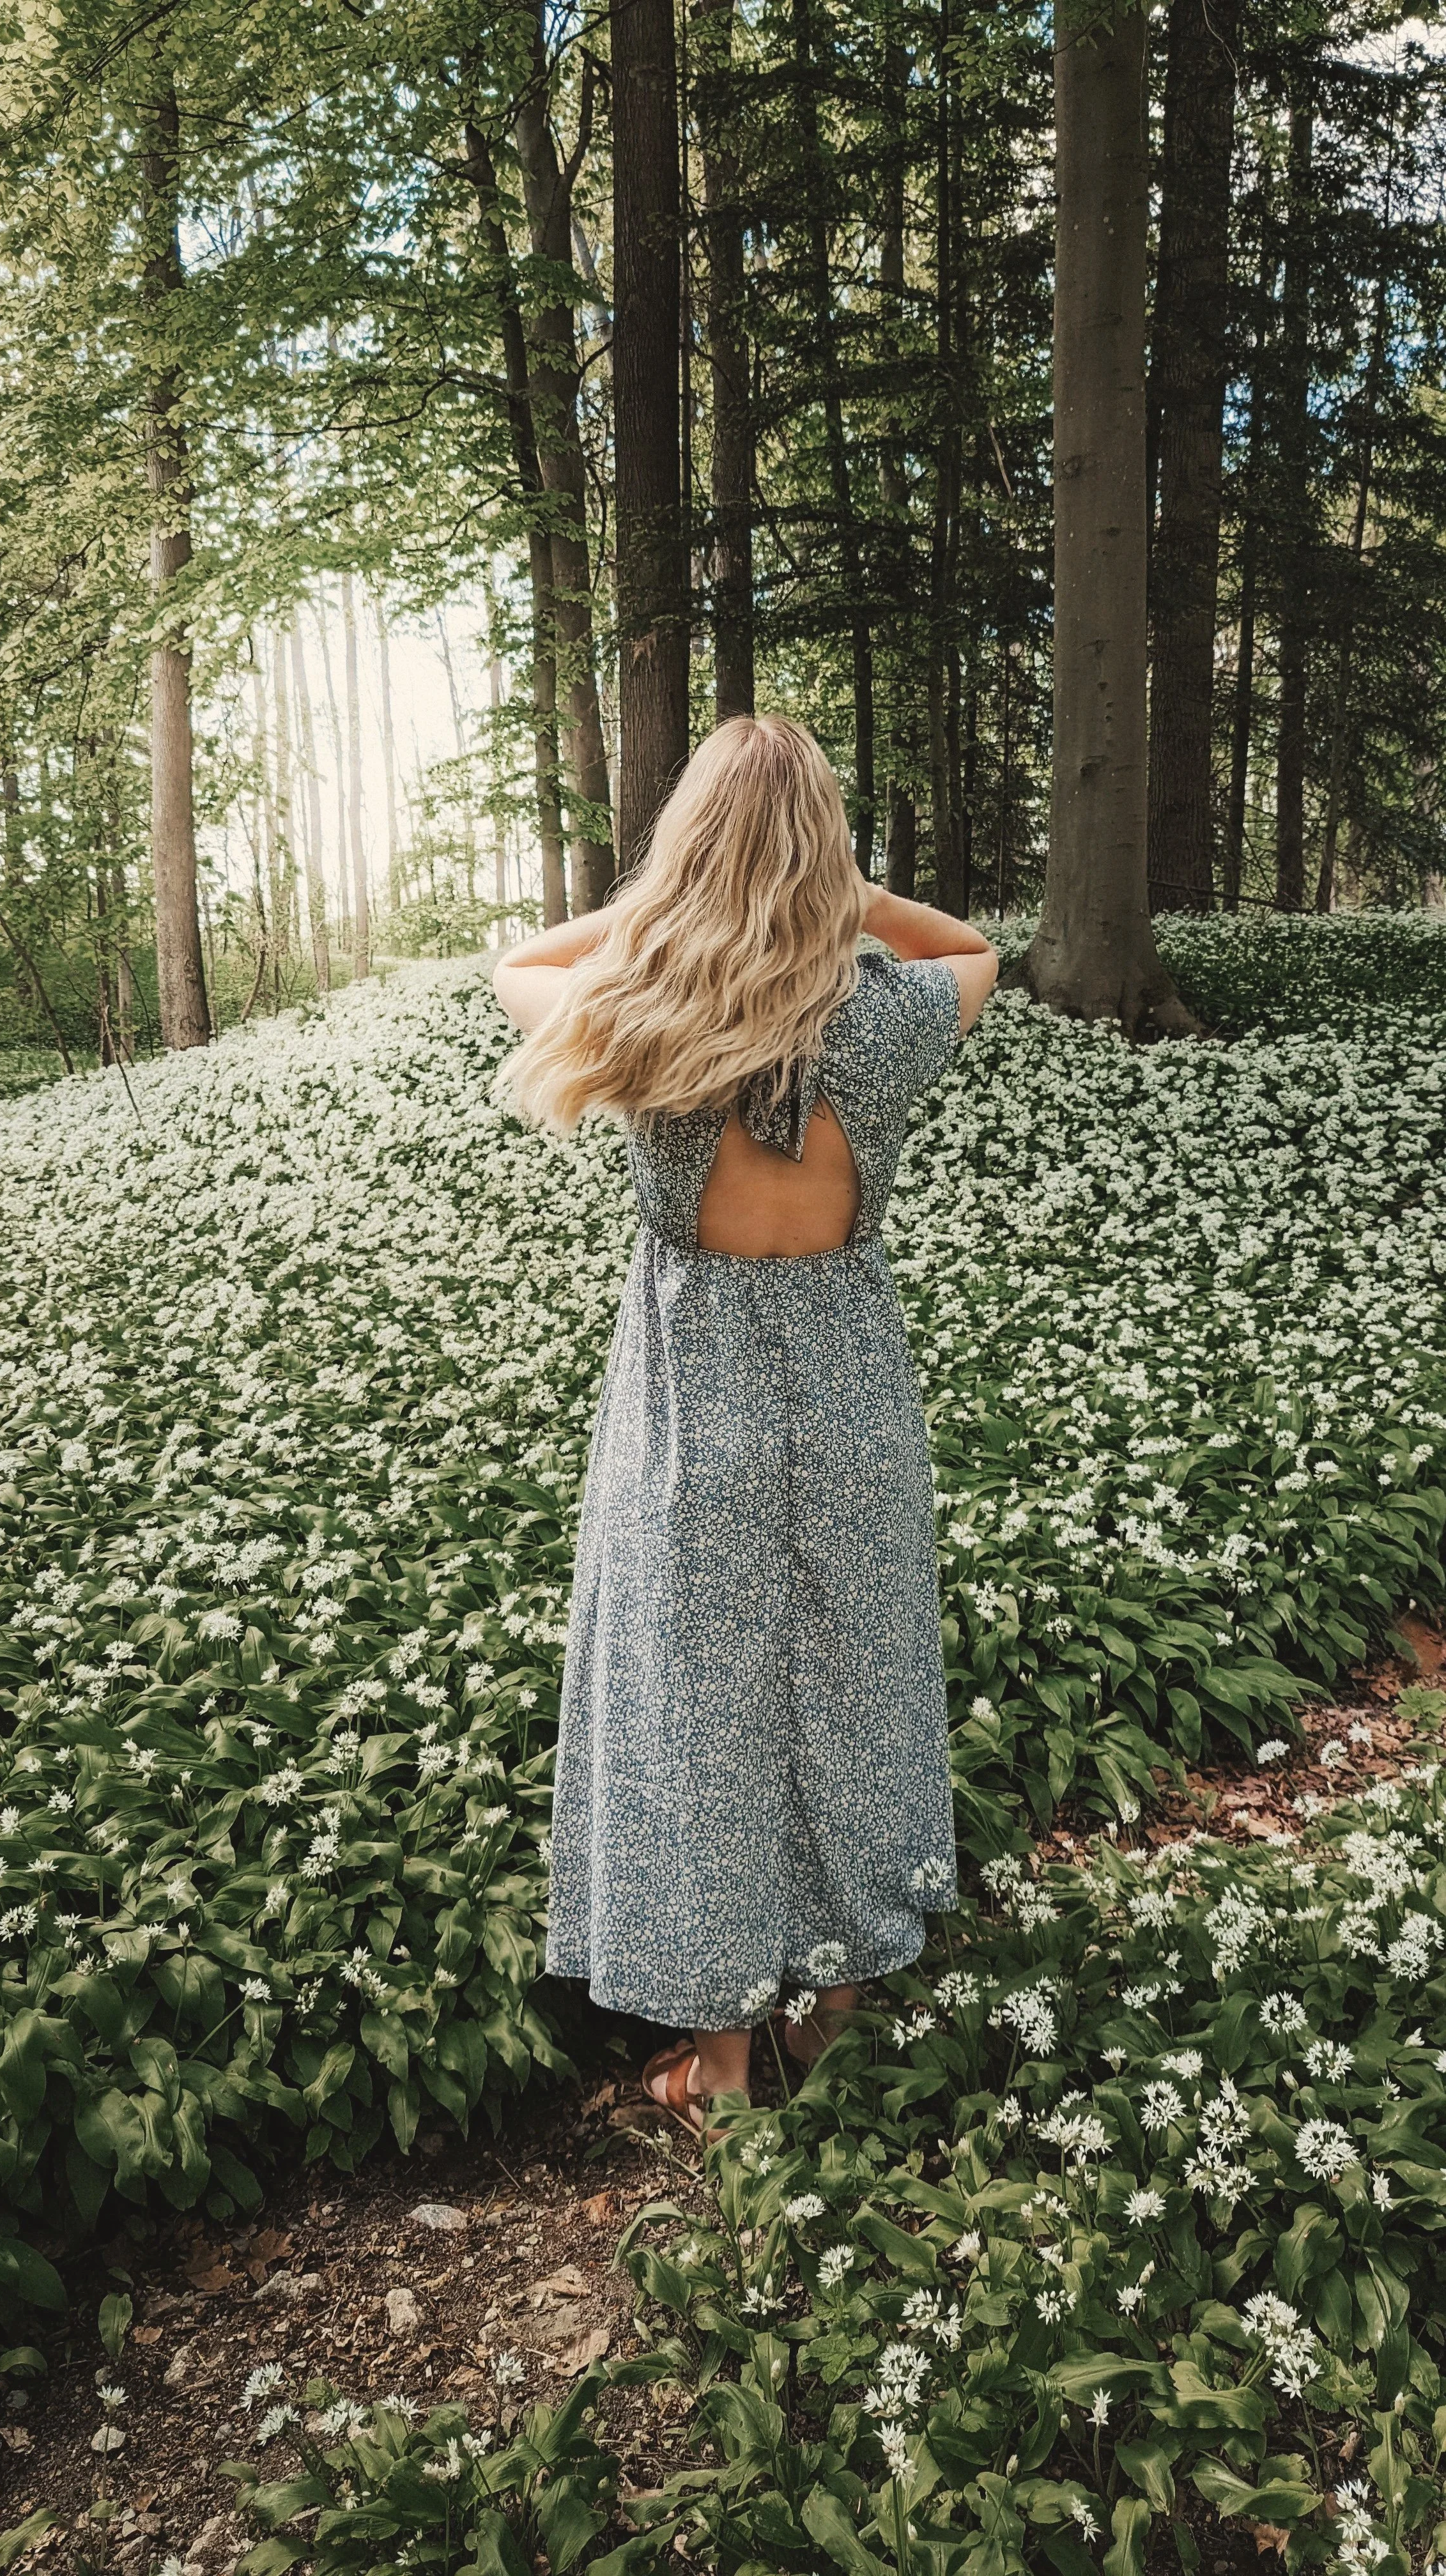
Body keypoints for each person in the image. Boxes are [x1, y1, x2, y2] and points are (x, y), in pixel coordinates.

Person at [493, 714, 997, 2133]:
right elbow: (974, 946)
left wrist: (671, 903)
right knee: (856, 1684)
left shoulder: (641, 1013)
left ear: (691, 849)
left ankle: (718, 2066)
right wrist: (842, 894)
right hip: (847, 1395)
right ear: (824, 854)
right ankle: (839, 2018)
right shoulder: (888, 1016)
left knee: (699, 1713)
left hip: (689, 1403)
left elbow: (514, 963)